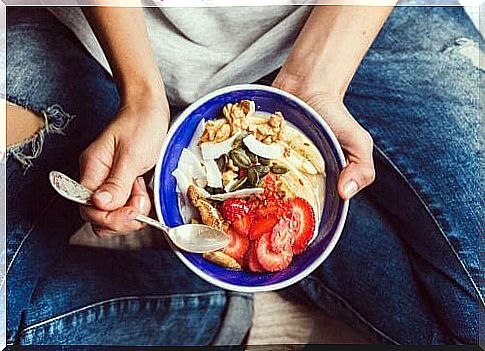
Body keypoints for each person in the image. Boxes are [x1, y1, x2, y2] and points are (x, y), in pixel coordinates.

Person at [5, 3, 482, 346]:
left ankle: (294, 262)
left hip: (348, 27)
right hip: (92, 39)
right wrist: (141, 93)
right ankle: (217, 307)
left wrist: (315, 80)